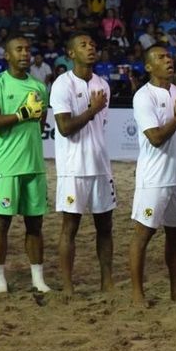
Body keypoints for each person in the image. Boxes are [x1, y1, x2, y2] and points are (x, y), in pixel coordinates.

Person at [0, 34, 51, 295]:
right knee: (2, 223)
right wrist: (22, 114)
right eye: (18, 49)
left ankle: (38, 280)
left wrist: (28, 117)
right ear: (7, 55)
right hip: (6, 165)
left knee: (35, 225)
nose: (24, 53)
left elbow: (40, 125)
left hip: (34, 164)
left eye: (27, 49)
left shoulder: (39, 86)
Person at [50, 31, 115, 295]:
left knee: (105, 227)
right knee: (70, 227)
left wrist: (94, 110)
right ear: (71, 53)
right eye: (83, 45)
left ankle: (107, 282)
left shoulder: (103, 85)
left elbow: (100, 126)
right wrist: (92, 109)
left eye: (92, 44)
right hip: (73, 167)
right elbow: (65, 127)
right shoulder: (62, 84)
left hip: (100, 165)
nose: (90, 48)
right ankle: (67, 286)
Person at [129, 45, 176, 306]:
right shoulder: (144, 96)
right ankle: (137, 293)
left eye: (169, 56)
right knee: (143, 235)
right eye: (161, 57)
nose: (168, 60)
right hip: (154, 178)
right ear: (148, 66)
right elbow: (155, 138)